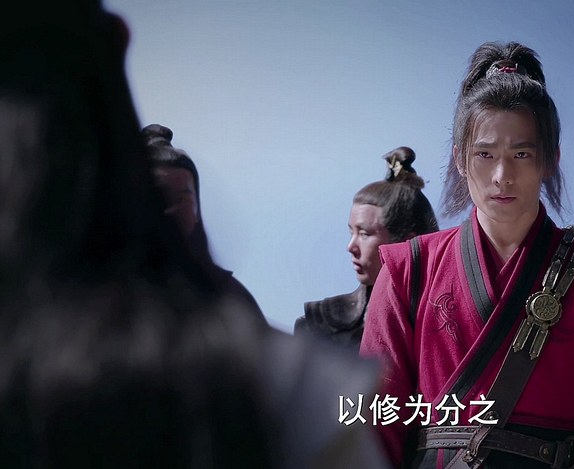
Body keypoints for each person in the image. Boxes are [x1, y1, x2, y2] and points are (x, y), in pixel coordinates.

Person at [0, 1, 389, 467]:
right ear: (118, 39)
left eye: (180, 197)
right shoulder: (284, 383)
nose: (167, 211)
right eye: (158, 195)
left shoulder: (236, 326)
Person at [359, 41, 574, 468]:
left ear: (550, 160)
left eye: (521, 154)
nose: (502, 176)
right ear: (460, 159)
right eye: (485, 154)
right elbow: (375, 424)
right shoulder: (409, 269)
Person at [295, 147, 438, 350]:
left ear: (406, 244)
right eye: (351, 232)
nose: (351, 247)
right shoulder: (318, 326)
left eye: (364, 234)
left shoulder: (449, 326)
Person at [142, 123, 268, 325]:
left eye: (183, 199)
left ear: (196, 209)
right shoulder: (109, 293)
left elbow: (262, 341)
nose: (173, 210)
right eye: (162, 197)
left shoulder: (228, 294)